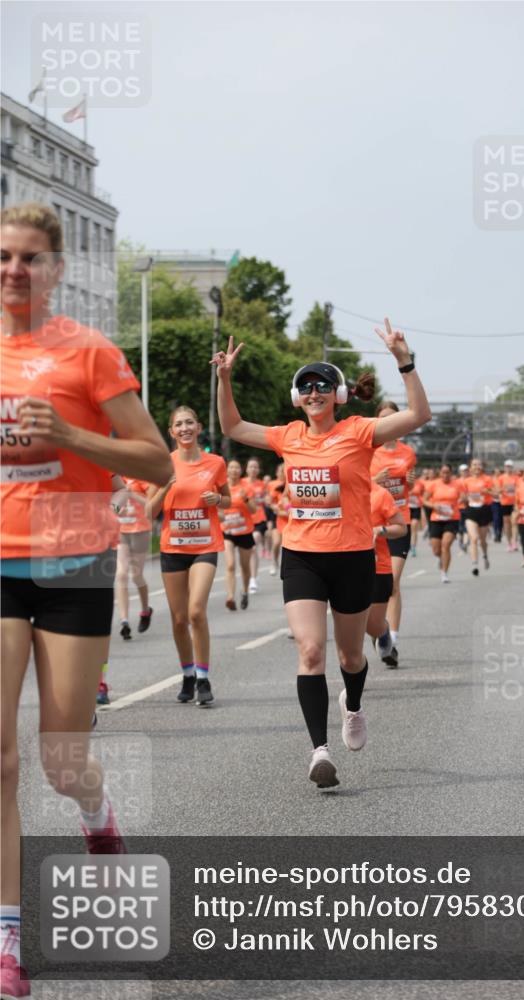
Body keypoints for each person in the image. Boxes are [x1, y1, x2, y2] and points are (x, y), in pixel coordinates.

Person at [0, 202, 172, 999]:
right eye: (3, 257)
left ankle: (96, 813)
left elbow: (157, 462)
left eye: (31, 258)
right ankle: (7, 940)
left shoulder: (90, 352)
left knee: (59, 761)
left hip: (75, 566)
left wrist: (70, 439)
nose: (14, 271)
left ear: (58, 269)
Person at [213, 319, 430, 789]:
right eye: (306, 387)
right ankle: (319, 751)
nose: (314, 392)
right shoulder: (287, 436)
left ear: (338, 395)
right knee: (310, 651)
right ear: (298, 398)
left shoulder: (359, 431)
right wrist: (224, 378)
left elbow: (417, 416)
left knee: (351, 656)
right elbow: (231, 425)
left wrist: (403, 361)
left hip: (352, 556)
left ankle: (352, 706)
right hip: (303, 557)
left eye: (323, 386)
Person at [146, 406, 229, 706]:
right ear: (171, 431)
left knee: (196, 611)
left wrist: (218, 499)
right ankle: (187, 674)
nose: (185, 428)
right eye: (178, 424)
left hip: (206, 546)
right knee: (179, 619)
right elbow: (148, 511)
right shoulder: (161, 465)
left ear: (198, 427)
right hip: (173, 549)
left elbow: (229, 499)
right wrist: (165, 486)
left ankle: (204, 678)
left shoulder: (216, 462)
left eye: (189, 422)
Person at [370, 401, 417, 666]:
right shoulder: (369, 451)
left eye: (392, 418)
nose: (388, 423)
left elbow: (407, 485)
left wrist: (410, 483)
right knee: (371, 589)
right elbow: (358, 484)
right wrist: (375, 481)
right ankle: (379, 633)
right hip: (370, 525)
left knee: (393, 582)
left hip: (397, 521)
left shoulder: (407, 452)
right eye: (383, 419)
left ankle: (393, 639)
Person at [367, 481, 407, 667]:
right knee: (350, 626)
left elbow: (401, 528)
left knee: (373, 624)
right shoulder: (335, 491)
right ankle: (353, 677)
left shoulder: (379, 494)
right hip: (345, 566)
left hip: (377, 567)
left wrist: (380, 530)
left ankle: (384, 633)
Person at [115, 476, 153, 640]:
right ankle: (124, 621)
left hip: (140, 530)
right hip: (121, 530)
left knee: (136, 575)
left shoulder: (141, 477)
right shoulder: (114, 478)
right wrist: (116, 509)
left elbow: (152, 505)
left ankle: (145, 610)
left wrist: (133, 495)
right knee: (121, 574)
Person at [222, 458, 256, 610]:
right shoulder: (222, 487)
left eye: (237, 468)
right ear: (227, 470)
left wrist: (246, 499)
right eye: (231, 468)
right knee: (230, 565)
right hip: (227, 531)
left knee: (245, 567)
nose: (234, 470)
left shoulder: (246, 487)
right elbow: (217, 506)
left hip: (244, 531)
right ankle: (230, 596)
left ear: (240, 471)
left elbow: (254, 510)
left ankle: (245, 591)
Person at [422, 464, 461, 583]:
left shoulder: (457, 484)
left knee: (446, 545)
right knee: (436, 550)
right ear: (440, 473)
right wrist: (434, 505)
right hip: (436, 519)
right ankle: (441, 559)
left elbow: (464, 497)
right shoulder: (434, 484)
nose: (445, 474)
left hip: (452, 518)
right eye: (443, 472)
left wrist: (460, 501)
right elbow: (424, 500)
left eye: (447, 472)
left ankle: (444, 573)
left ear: (451, 473)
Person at [460, 458, 494, 576]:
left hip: (484, 510)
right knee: (473, 538)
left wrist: (487, 491)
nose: (477, 467)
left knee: (482, 540)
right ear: (470, 467)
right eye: (474, 464)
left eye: (479, 464)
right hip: (471, 511)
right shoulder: (466, 481)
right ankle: (474, 564)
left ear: (482, 467)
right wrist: (463, 498)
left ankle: (484, 555)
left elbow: (496, 493)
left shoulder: (488, 479)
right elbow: (462, 497)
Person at [242, 456, 267, 593]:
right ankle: (252, 575)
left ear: (258, 470)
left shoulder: (262, 484)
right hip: (244, 520)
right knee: (249, 550)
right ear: (246, 469)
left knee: (253, 544)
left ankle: (252, 578)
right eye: (251, 466)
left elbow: (267, 502)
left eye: (255, 467)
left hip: (259, 519)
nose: (253, 469)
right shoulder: (241, 483)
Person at [497, 459, 518, 551]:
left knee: (514, 522)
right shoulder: (501, 478)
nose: (508, 468)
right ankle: (509, 542)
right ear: (505, 467)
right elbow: (497, 490)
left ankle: (514, 542)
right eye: (507, 466)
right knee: (506, 523)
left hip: (515, 502)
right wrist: (503, 489)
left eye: (510, 467)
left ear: (512, 468)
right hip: (505, 502)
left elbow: (520, 489)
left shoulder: (516, 478)